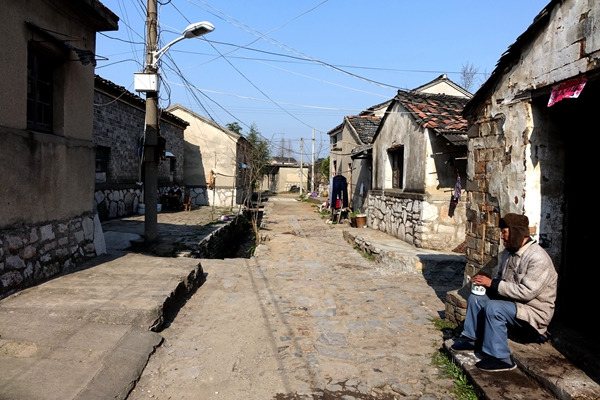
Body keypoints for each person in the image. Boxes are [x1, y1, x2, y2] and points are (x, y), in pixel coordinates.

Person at [451, 213, 558, 372]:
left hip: (533, 318)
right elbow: (501, 280)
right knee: (476, 298)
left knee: (494, 308)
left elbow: (526, 293)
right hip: (513, 308)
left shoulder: (538, 258)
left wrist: (492, 284)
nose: (501, 236)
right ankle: (473, 338)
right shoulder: (509, 252)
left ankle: (501, 358)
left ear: (516, 232)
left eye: (504, 232)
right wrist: (486, 284)